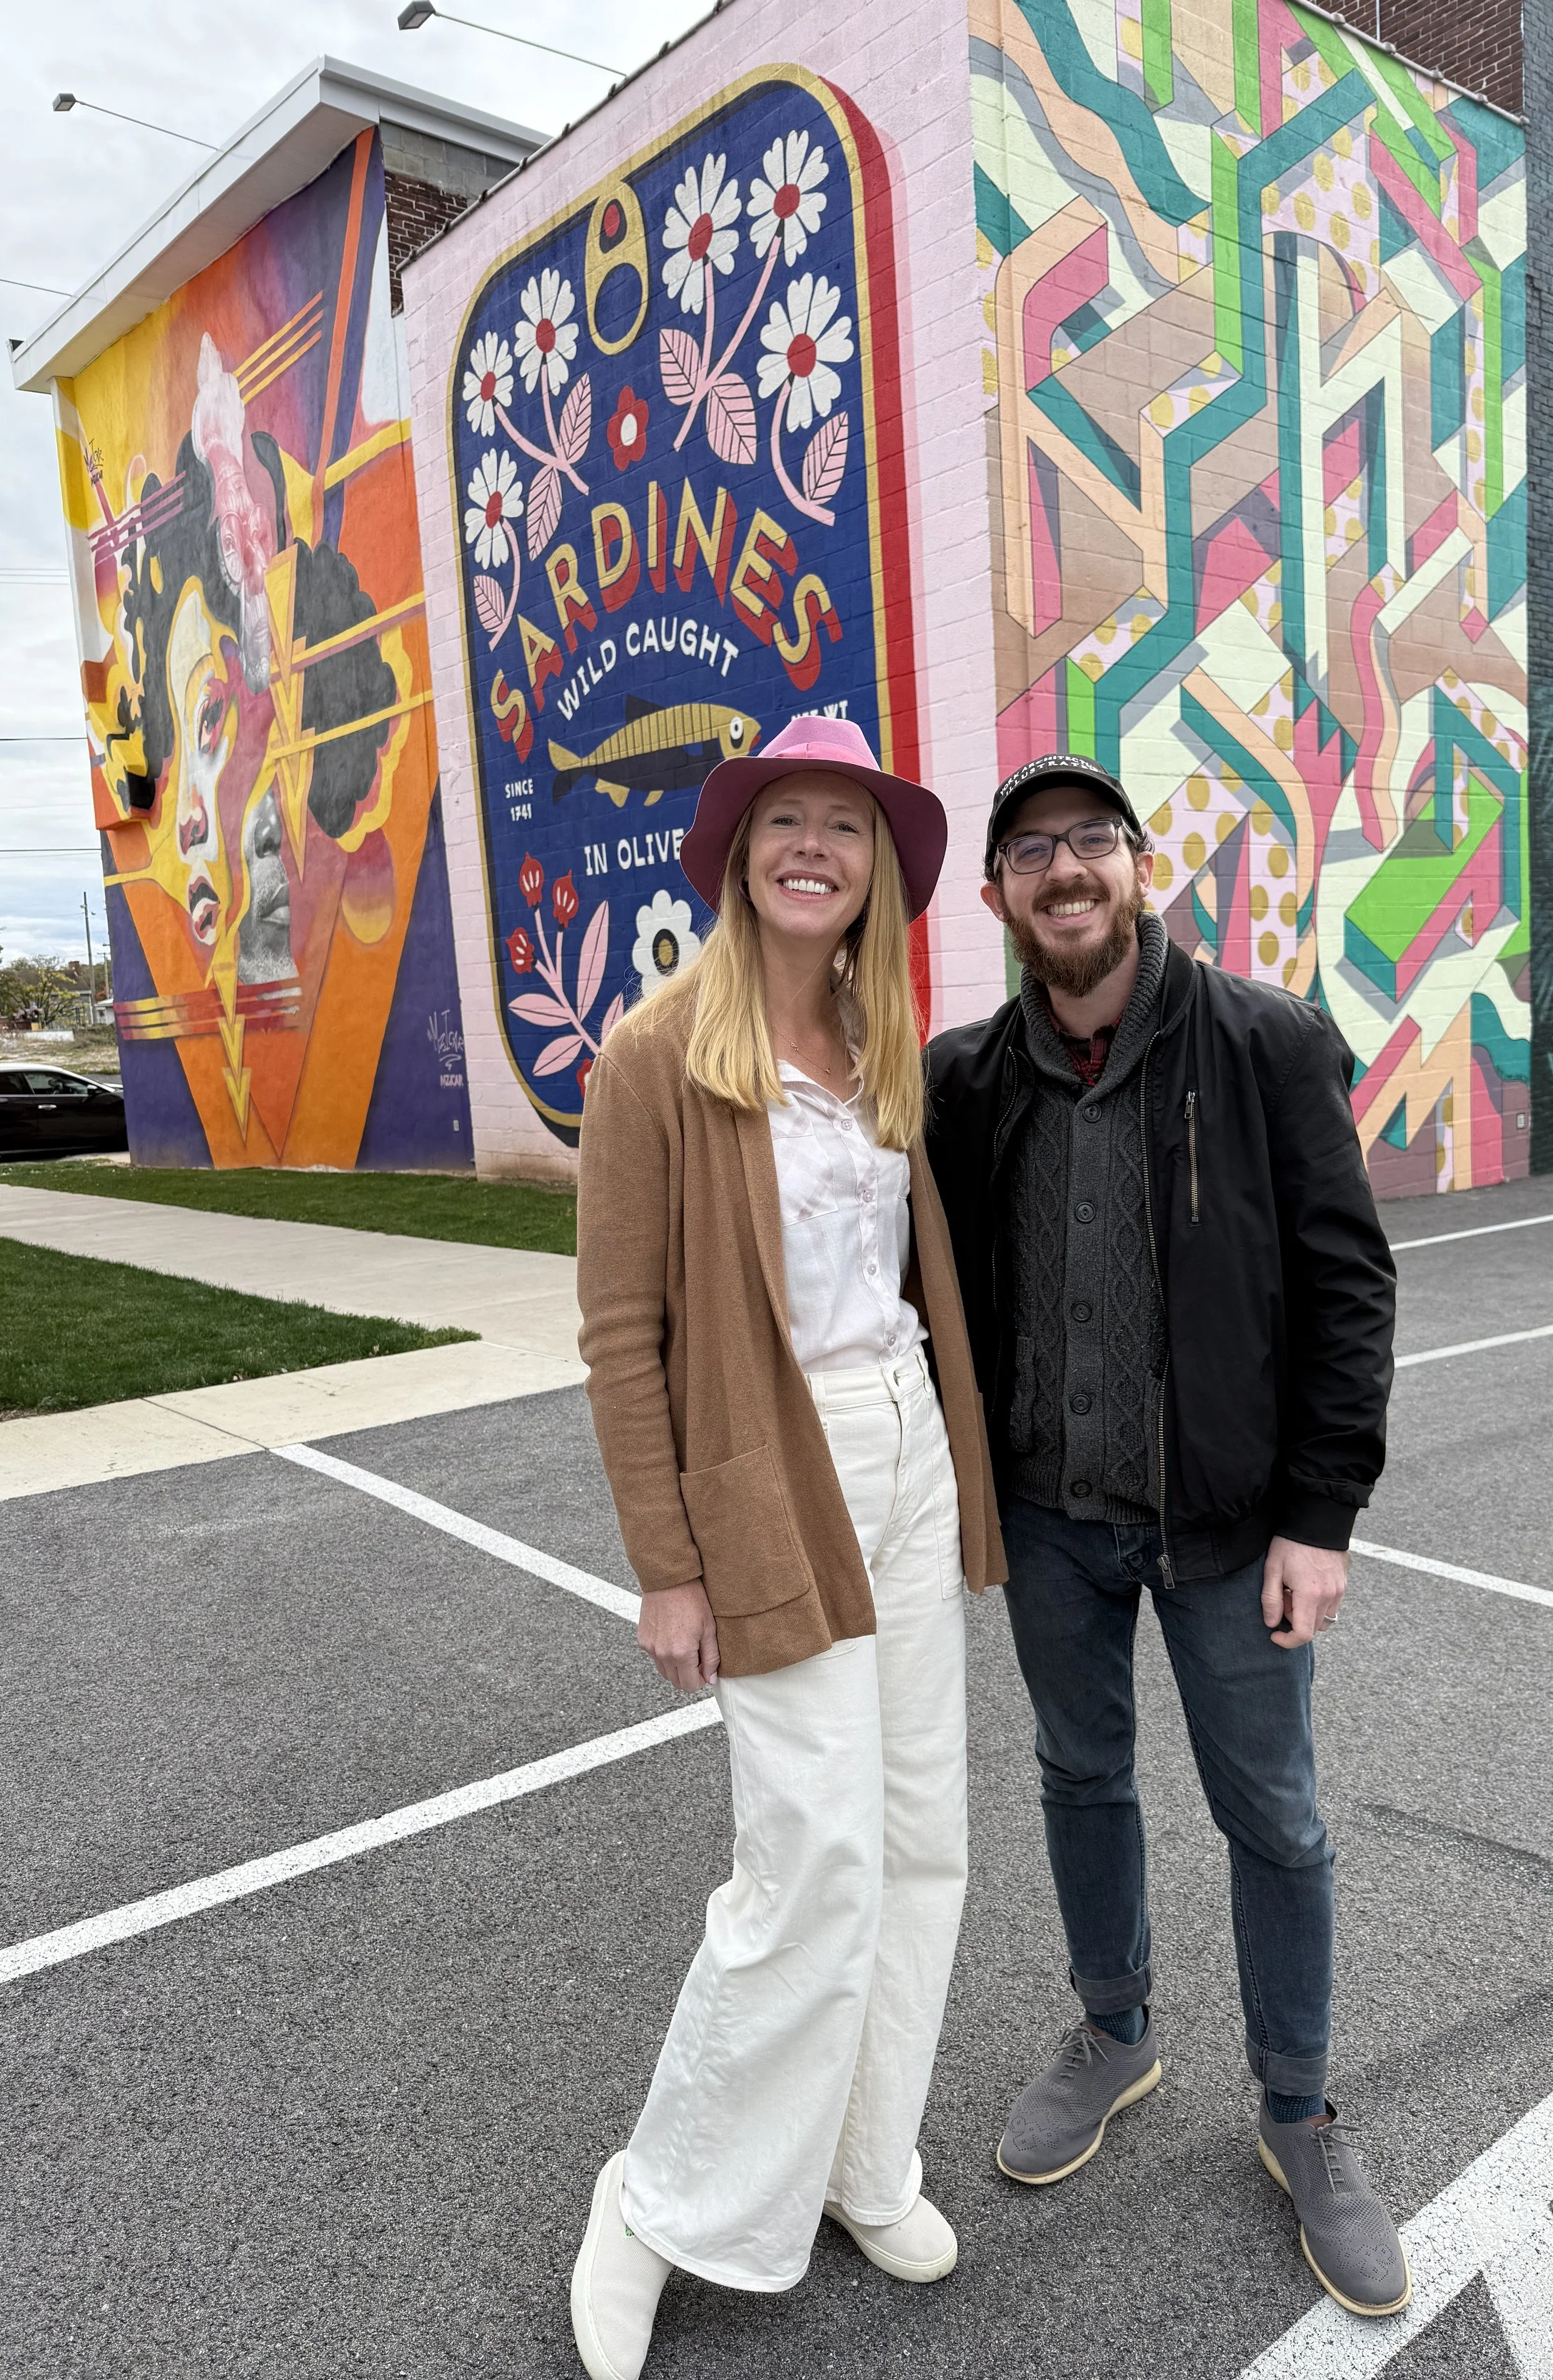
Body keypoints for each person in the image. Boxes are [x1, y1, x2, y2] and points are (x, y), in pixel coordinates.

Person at [924, 753, 1407, 2319]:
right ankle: (1116, 2031)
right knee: (1079, 1776)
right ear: (998, 897)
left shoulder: (1262, 1045)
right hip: (1054, 1522)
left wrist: (1316, 1518)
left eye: (1088, 845)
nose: (1061, 873)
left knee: (1273, 1817)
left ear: (1137, 871)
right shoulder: (966, 1079)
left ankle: (1299, 2114)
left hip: (1223, 1529)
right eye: (1028, 854)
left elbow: (1345, 1288)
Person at [569, 714, 1007, 2380]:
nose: (812, 845)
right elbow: (624, 1333)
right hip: (771, 1466)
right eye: (784, 819)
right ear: (740, 849)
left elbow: (911, 1284)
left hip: (898, 1444)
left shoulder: (881, 1036)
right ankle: (656, 2200)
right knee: (804, 1857)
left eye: (845, 823)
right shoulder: (656, 1054)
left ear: (876, 868)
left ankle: (859, 2159)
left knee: (916, 1838)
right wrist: (666, 1562)